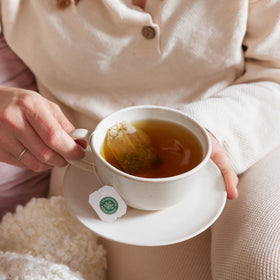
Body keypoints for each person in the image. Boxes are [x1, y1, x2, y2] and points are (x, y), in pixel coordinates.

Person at [0, 0, 279, 279]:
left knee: (265, 266)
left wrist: (214, 128)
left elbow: (274, 71)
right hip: (98, 177)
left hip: (247, 127)